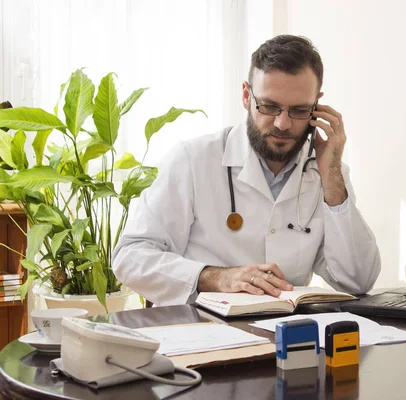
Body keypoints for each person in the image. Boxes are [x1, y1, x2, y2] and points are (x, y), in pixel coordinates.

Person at [112, 35, 381, 306]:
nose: (283, 123)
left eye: (299, 110)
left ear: (317, 106)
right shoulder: (193, 160)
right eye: (269, 106)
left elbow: (357, 281)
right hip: (201, 333)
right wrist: (215, 277)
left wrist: (332, 177)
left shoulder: (328, 174)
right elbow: (130, 257)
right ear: (245, 95)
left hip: (289, 335)